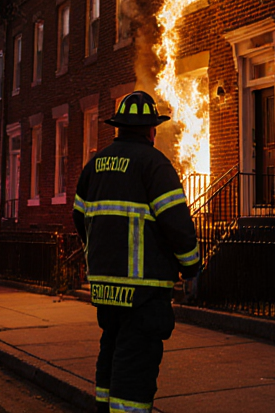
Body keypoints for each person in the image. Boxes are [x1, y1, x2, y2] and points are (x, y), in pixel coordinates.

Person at [72, 91, 200, 413]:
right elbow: (177, 225)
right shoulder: (154, 164)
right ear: (150, 130)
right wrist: (192, 267)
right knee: (136, 363)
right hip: (144, 290)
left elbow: (79, 216)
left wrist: (97, 250)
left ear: (119, 128)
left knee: (112, 350)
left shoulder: (95, 165)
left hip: (106, 287)